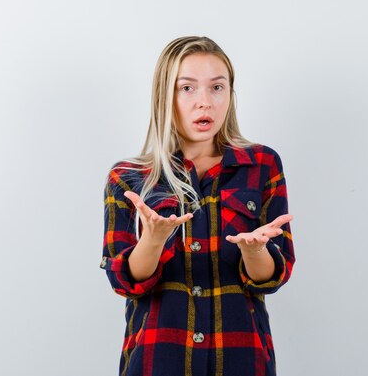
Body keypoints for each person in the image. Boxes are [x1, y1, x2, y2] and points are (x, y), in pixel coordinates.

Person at [100, 36, 295, 376]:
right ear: (165, 96)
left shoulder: (262, 164)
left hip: (242, 361)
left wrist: (254, 251)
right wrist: (153, 239)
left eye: (217, 87)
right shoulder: (128, 178)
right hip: (157, 361)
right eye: (187, 88)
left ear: (230, 95)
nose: (205, 102)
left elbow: (272, 277)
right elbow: (125, 281)